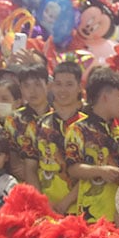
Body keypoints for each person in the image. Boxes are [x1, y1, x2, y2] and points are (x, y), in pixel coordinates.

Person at [64, 70, 119, 223]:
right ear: (105, 97)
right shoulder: (79, 129)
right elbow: (72, 169)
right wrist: (100, 171)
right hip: (92, 214)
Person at [33, 62, 86, 213]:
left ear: (79, 87)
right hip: (44, 207)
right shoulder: (40, 124)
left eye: (69, 84)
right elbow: (31, 167)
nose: (63, 90)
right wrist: (42, 201)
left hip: (79, 208)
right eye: (58, 84)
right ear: (51, 86)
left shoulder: (89, 127)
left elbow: (92, 172)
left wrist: (65, 203)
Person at [3, 64, 51, 184]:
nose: (32, 91)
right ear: (21, 89)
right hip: (24, 181)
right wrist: (17, 165)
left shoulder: (58, 117)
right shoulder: (13, 119)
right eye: (26, 86)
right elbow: (11, 151)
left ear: (48, 85)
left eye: (38, 85)